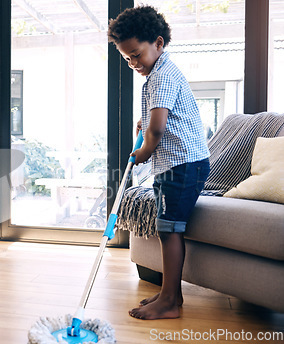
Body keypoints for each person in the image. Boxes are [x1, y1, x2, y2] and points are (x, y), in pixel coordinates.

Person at [108, 6, 210, 320]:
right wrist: (146, 127)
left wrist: (143, 152)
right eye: (127, 58)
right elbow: (153, 120)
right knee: (166, 228)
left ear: (159, 43)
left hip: (183, 165)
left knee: (169, 230)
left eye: (137, 54)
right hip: (172, 165)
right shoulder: (158, 74)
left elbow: (158, 128)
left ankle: (170, 301)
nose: (133, 63)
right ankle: (171, 293)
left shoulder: (163, 74)